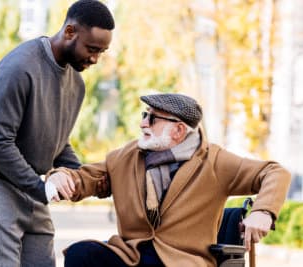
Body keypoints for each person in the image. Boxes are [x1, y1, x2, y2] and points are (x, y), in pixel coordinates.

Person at [0, 1, 115, 266]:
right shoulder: (20, 66)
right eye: (92, 49)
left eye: (102, 52)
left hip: (28, 184)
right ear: (70, 32)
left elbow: (59, 145)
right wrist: (42, 188)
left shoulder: (77, 83)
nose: (95, 59)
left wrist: (90, 179)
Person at [46, 93, 291, 267]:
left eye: (152, 118)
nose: (143, 123)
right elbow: (86, 177)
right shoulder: (126, 157)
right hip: (132, 255)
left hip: (183, 260)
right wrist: (61, 176)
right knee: (81, 254)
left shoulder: (215, 162)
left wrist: (264, 212)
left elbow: (274, 172)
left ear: (178, 130)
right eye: (144, 115)